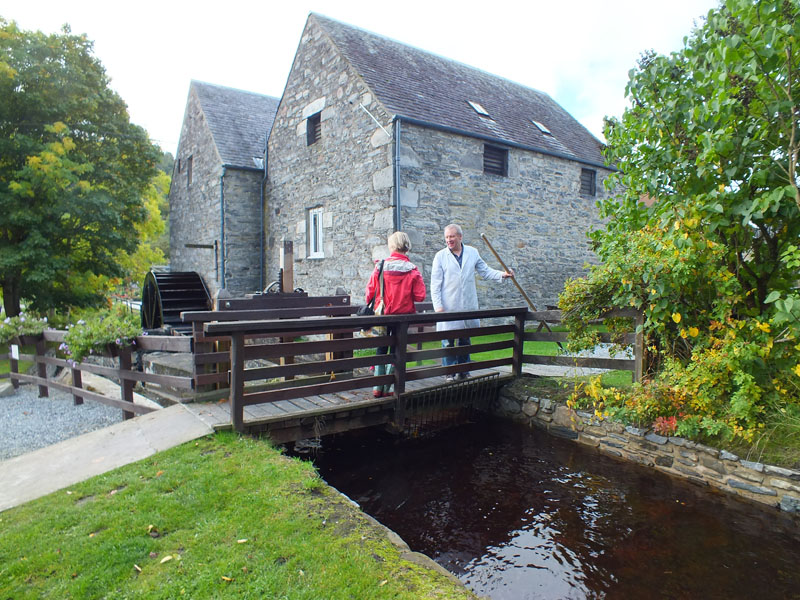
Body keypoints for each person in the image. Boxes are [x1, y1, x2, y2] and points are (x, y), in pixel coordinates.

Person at [430, 223, 513, 381]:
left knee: (465, 339)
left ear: (460, 237)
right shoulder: (440, 256)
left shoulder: (472, 253)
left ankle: (464, 371)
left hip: (467, 305)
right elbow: (435, 284)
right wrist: (438, 306)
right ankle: (449, 372)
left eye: (452, 236)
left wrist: (502, 274)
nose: (449, 240)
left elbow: (485, 271)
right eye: (447, 237)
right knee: (448, 341)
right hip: (448, 305)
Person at [364, 231, 427, 397]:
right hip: (402, 318)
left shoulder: (380, 266)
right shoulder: (412, 270)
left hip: (383, 315)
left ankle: (378, 387)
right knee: (398, 348)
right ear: (407, 247)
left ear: (391, 246)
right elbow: (420, 296)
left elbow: (369, 293)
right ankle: (392, 388)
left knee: (381, 347)